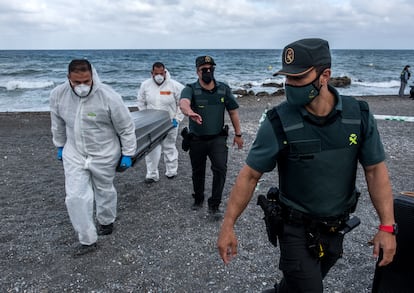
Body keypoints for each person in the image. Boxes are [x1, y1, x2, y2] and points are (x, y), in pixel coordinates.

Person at [217, 38, 397, 292]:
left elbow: (375, 170)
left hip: (335, 228)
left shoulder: (358, 116)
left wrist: (387, 226)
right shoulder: (278, 121)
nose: (289, 85)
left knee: (294, 287)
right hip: (294, 230)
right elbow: (249, 176)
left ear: (325, 75)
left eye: (297, 78)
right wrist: (228, 225)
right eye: (286, 78)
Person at [50, 59, 137, 257]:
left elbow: (126, 127)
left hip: (104, 151)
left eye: (86, 81)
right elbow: (57, 123)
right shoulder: (58, 95)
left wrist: (128, 153)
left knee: (104, 189)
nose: (82, 86)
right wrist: (60, 146)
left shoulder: (108, 96)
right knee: (75, 196)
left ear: (92, 76)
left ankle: (106, 220)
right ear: (68, 79)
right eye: (77, 82)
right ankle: (87, 239)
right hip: (74, 152)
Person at [179, 55, 244, 215]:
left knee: (220, 169)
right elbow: (183, 103)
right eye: (204, 70)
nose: (208, 72)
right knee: (198, 171)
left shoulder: (223, 89)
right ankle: (198, 198)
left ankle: (214, 204)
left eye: (211, 69)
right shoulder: (190, 88)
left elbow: (233, 112)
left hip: (217, 139)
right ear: (197, 72)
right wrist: (190, 112)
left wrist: (238, 134)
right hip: (197, 140)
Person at [137, 62, 185, 183]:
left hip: (170, 122)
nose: (159, 76)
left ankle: (171, 171)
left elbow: (182, 103)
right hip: (152, 124)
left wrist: (177, 118)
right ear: (152, 73)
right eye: (156, 73)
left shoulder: (174, 85)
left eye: (161, 73)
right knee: (151, 148)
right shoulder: (145, 85)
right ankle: (152, 175)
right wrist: (145, 118)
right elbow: (141, 102)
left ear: (165, 72)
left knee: (169, 146)